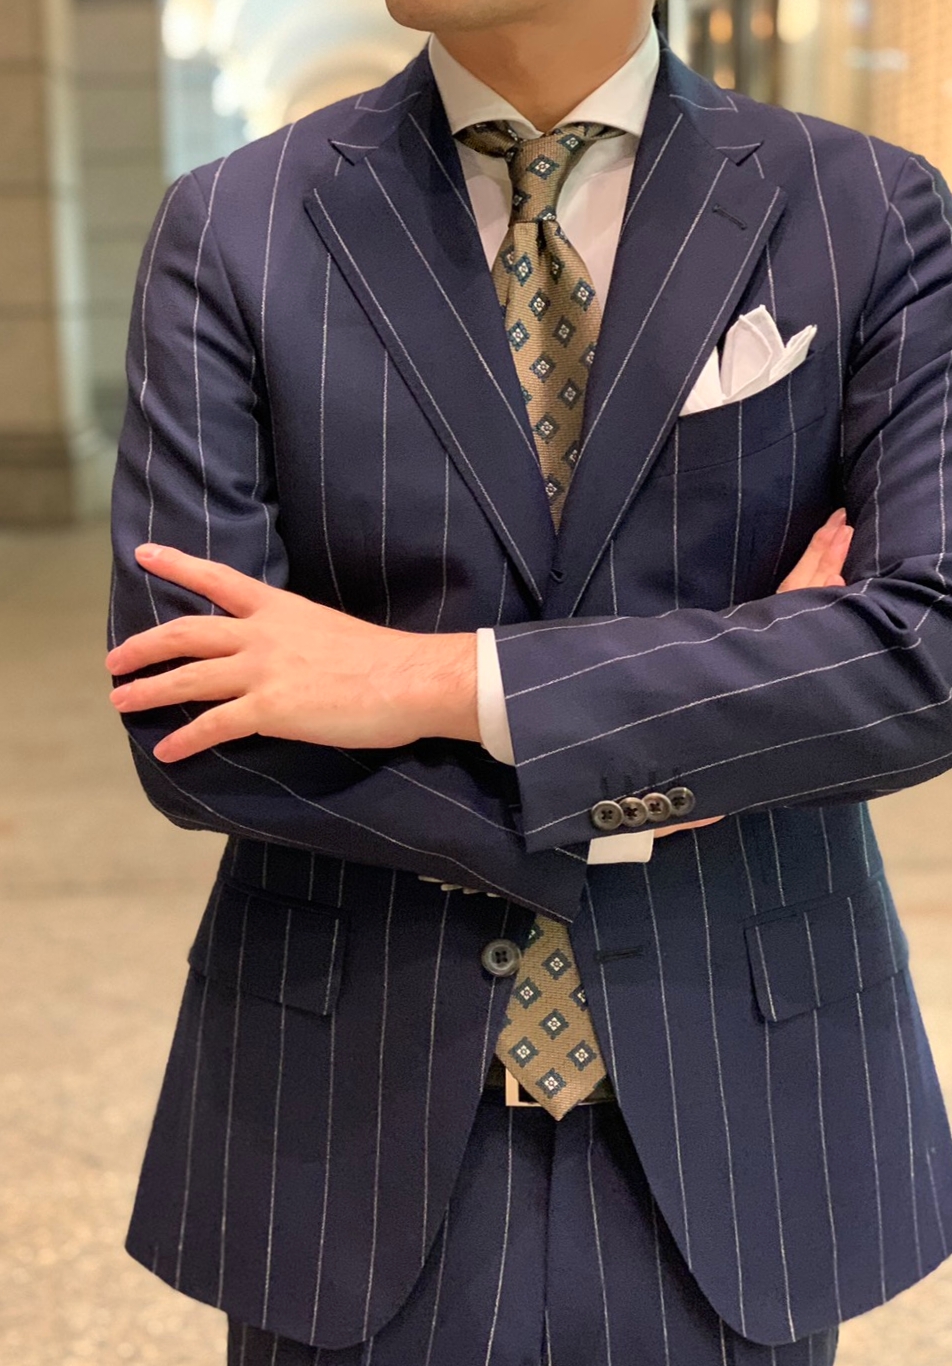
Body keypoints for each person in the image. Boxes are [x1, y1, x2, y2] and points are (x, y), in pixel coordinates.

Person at [105, 1, 952, 1361]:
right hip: (348, 1107)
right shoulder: (236, 225)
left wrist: (437, 679)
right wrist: (679, 755)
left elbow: (923, 651)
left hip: (740, 1090)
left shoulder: (862, 208)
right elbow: (194, 712)